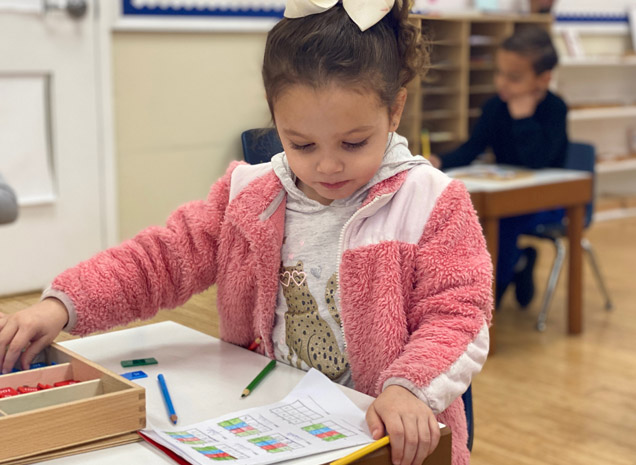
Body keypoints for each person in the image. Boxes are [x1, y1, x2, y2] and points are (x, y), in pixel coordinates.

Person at [0, 2, 492, 464]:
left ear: (396, 109)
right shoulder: (249, 194)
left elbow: (459, 316)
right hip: (278, 418)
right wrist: (62, 304)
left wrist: (408, 387)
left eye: (354, 142)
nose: (326, 163)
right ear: (274, 114)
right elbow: (160, 260)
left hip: (386, 433)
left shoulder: (430, 201)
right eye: (300, 143)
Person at [429, 26, 567, 308]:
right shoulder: (494, 107)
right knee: (467, 216)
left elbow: (538, 161)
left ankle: (496, 288)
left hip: (548, 201)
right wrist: (439, 162)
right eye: (499, 73)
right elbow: (473, 148)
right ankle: (513, 264)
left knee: (501, 223)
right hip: (504, 196)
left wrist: (524, 120)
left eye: (514, 77)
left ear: (544, 79)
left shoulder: (555, 109)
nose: (502, 83)